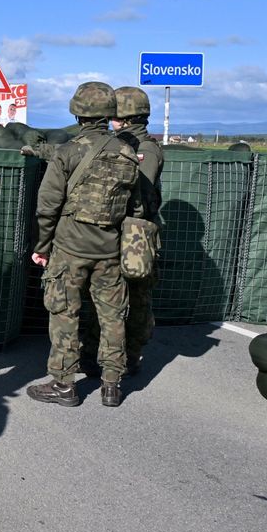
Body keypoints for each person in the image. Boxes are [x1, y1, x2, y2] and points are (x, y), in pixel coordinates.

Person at [26, 82, 144, 409]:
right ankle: (111, 384)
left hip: (69, 249)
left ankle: (64, 385)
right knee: (113, 317)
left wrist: (42, 245)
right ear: (109, 114)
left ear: (77, 113)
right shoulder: (127, 154)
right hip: (110, 251)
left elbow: (47, 205)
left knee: (64, 314)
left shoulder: (67, 152)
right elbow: (135, 209)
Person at [111, 86, 163, 376]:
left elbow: (141, 194)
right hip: (118, 228)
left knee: (137, 295)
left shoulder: (146, 150)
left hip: (137, 232)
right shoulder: (117, 144)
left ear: (125, 117)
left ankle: (131, 354)